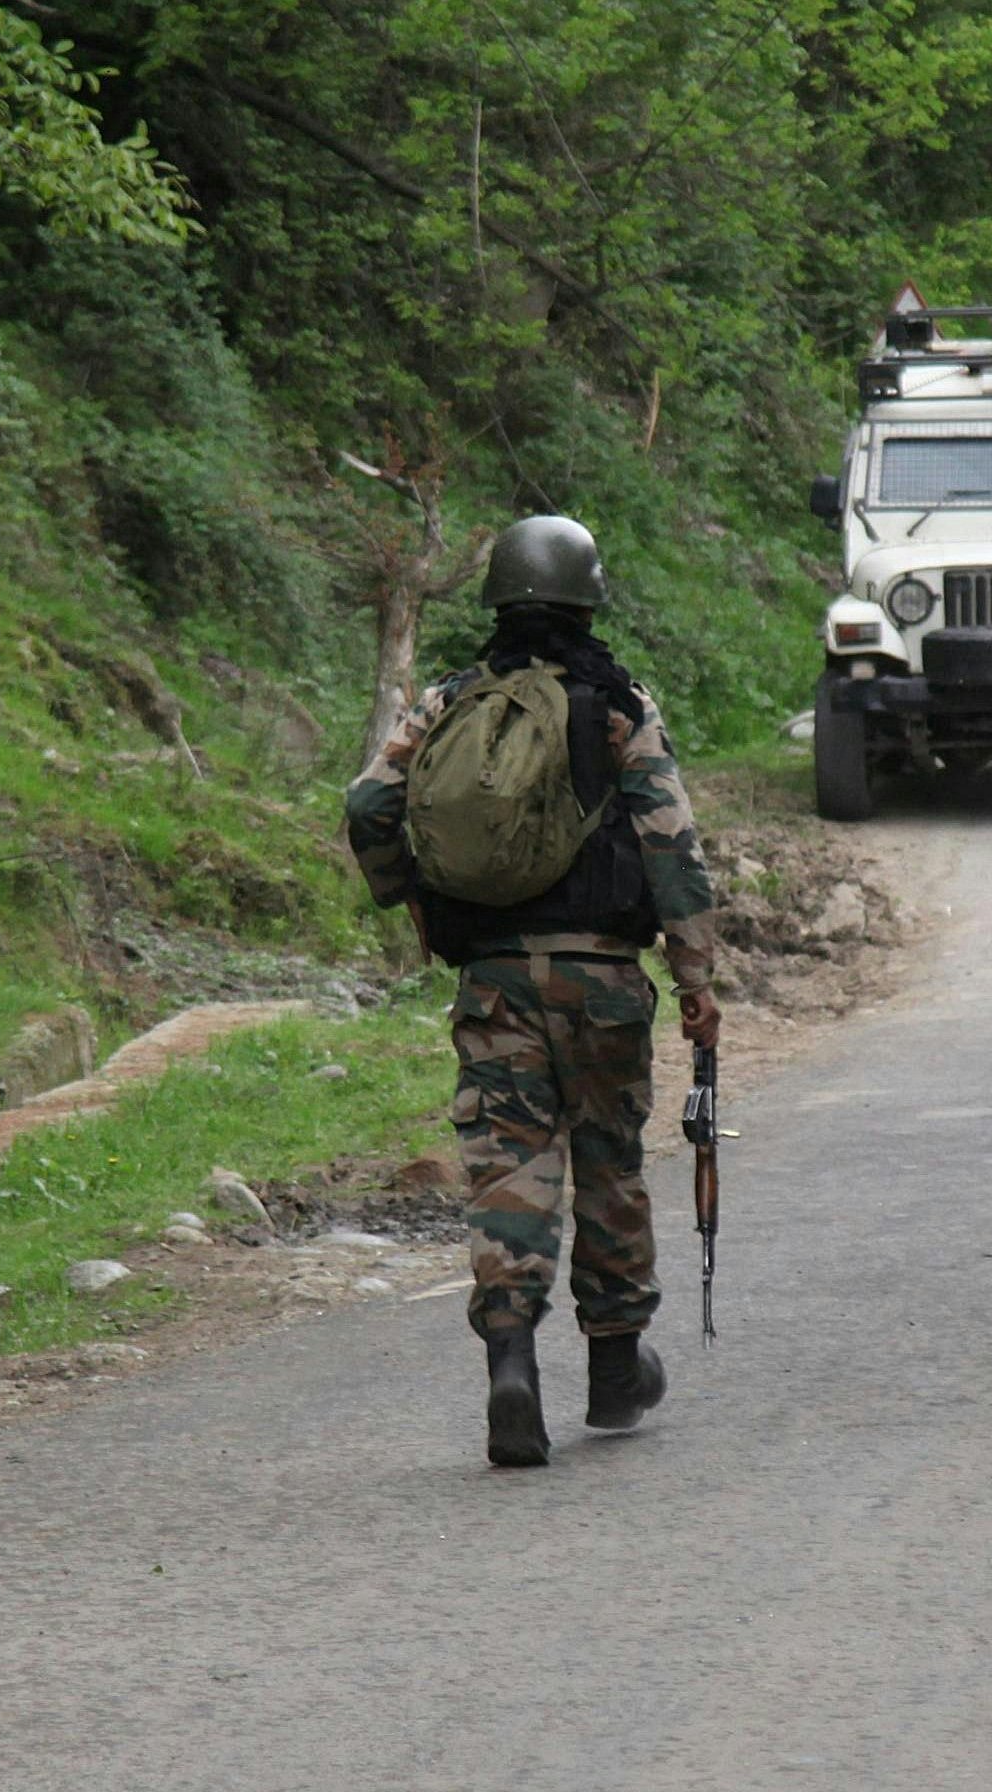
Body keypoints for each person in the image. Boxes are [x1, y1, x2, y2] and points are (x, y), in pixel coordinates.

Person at [344, 515, 721, 1467]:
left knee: (507, 1168)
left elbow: (368, 805)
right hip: (600, 981)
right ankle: (614, 1371)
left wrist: (417, 909)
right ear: (586, 592)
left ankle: (511, 1367)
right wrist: (694, 976)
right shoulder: (615, 703)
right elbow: (669, 845)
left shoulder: (448, 700)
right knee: (608, 1166)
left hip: (494, 979)